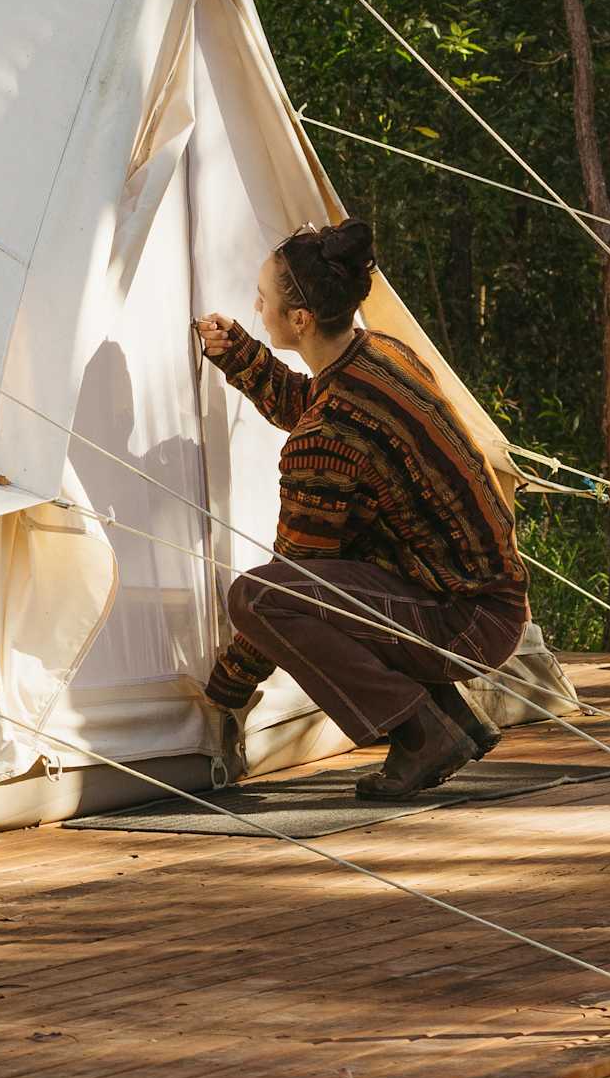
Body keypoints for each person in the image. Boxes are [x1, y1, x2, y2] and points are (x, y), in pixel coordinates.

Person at [191, 217, 527, 803]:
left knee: (260, 597)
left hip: (466, 621)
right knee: (317, 581)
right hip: (485, 601)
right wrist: (243, 354)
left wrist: (227, 688)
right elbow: (319, 407)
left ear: (299, 321)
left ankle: (422, 733)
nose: (257, 306)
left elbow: (294, 575)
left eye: (263, 300)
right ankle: (453, 720)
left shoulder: (325, 433)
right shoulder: (382, 355)